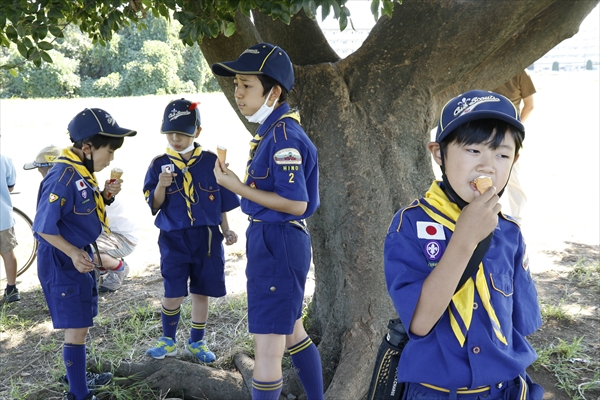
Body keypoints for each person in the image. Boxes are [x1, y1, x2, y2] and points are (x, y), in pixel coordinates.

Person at [384, 90, 544, 399]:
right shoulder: (409, 227)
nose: (488, 166)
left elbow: (520, 326)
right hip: (437, 391)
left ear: (515, 160)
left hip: (503, 390)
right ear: (438, 153)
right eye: (473, 150)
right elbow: (419, 323)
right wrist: (465, 240)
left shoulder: (509, 232)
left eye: (502, 155)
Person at [212, 43, 324, 400]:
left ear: (273, 92)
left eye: (246, 85)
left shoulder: (283, 138)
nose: (238, 93)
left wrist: (236, 187)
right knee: (293, 332)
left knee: (267, 349)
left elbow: (295, 202)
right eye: (236, 85)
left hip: (278, 241)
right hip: (276, 241)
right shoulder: (273, 132)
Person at [32, 108, 136, 400]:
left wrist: (105, 196)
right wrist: (73, 253)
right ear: (87, 148)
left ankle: (77, 376)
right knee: (76, 329)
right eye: (110, 150)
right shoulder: (62, 176)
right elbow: (43, 227)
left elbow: (78, 210)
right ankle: (79, 394)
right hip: (63, 261)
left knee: (82, 323)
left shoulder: (81, 171)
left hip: (78, 257)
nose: (112, 157)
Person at [143, 98, 240, 363]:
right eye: (170, 132)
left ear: (197, 132)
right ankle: (168, 340)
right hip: (173, 238)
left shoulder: (211, 162)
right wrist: (162, 185)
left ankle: (197, 341)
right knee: (173, 290)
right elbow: (155, 204)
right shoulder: (158, 164)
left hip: (207, 238)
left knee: (202, 290)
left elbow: (220, 201)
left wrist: (227, 229)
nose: (175, 138)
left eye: (182, 133)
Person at [24, 145, 138, 293]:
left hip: (119, 238)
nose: (44, 176)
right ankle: (100, 271)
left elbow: (44, 227)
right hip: (100, 236)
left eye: (43, 171)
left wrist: (72, 251)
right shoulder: (76, 179)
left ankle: (117, 268)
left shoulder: (71, 183)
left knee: (85, 251)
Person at [492, 70, 536, 224]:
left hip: (485, 130)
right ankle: (516, 217)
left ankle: (512, 217)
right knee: (512, 174)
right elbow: (529, 106)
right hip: (508, 131)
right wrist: (517, 126)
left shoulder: (485, 66)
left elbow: (530, 106)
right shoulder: (521, 72)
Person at [1, 153, 19, 303]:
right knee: (8, 253)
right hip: (3, 217)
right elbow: (10, 186)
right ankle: (12, 288)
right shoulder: (5, 160)